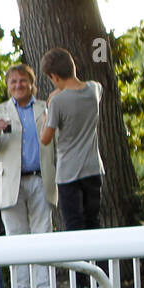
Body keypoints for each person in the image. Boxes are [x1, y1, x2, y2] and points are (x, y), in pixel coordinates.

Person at [0, 63, 57, 288]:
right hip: (10, 183)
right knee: (16, 236)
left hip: (41, 179)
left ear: (33, 84)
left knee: (43, 234)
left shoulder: (46, 109)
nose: (18, 85)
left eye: (23, 81)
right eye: (13, 82)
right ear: (8, 86)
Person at [40, 47, 104, 232]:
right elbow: (94, 88)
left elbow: (46, 139)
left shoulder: (57, 102)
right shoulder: (94, 89)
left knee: (74, 224)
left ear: (54, 76)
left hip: (69, 172)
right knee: (93, 221)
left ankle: (80, 261)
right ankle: (99, 261)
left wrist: (45, 118)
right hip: (92, 168)